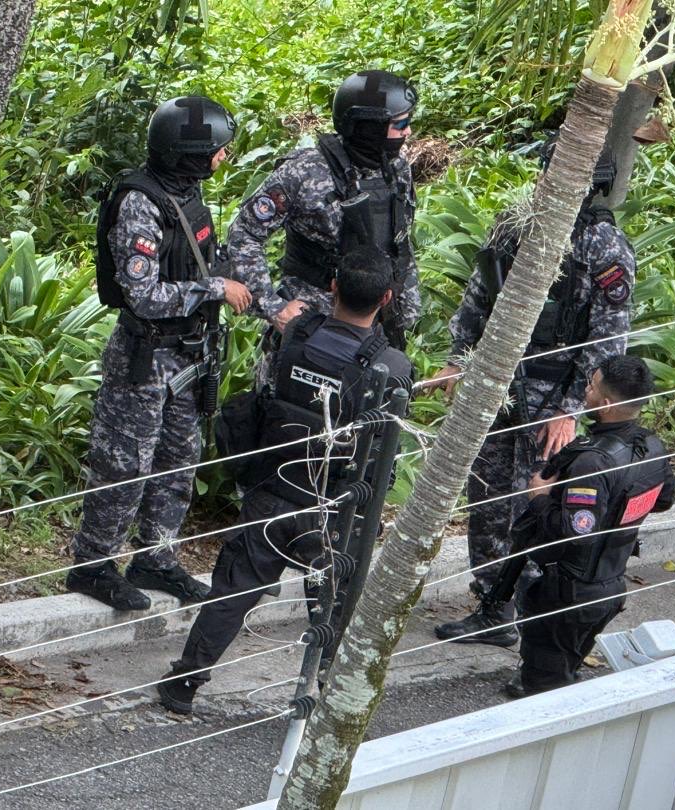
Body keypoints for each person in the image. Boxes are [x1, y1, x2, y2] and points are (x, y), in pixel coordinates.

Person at [157, 247, 412, 715]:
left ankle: (184, 685)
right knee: (333, 605)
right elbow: (385, 450)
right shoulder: (391, 366)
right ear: (388, 298)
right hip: (336, 506)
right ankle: (333, 700)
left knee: (233, 590)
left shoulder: (296, 333)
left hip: (273, 491)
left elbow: (265, 391)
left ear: (332, 286)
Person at [430, 147, 636, 646]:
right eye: (549, 171)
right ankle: (491, 607)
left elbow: (608, 340)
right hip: (496, 386)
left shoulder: (602, 247)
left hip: (552, 399)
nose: (551, 181)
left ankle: (537, 613)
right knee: (486, 498)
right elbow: (478, 298)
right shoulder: (514, 225)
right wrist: (459, 358)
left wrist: (568, 411)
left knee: (537, 508)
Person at [66, 96, 259, 611]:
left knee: (178, 461)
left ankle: (156, 557)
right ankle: (93, 565)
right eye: (217, 150)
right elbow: (144, 295)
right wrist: (215, 289)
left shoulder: (186, 191)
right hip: (145, 358)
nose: (223, 157)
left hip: (188, 356)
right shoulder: (140, 203)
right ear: (189, 154)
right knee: (124, 465)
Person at [463, 356, 675, 697]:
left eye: (591, 386)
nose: (586, 391)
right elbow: (664, 500)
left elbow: (574, 532)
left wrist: (539, 496)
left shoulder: (593, 460)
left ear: (605, 404)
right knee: (565, 664)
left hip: (568, 594)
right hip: (609, 585)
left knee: (543, 690)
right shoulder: (651, 446)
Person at [226, 70, 420, 359]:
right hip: (312, 326)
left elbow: (397, 241)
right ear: (369, 127)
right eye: (400, 124)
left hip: (376, 323)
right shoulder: (304, 172)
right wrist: (272, 307)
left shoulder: (395, 168)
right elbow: (244, 234)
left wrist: (406, 306)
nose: (408, 132)